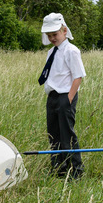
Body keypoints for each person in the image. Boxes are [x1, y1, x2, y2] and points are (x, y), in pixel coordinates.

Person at [38, 13, 86, 179]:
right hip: (52, 97)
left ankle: (76, 171)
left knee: (67, 134)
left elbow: (78, 76)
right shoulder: (52, 51)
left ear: (64, 31)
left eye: (55, 34)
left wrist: (69, 98)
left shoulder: (72, 51)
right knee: (53, 134)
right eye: (49, 35)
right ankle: (59, 169)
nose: (52, 38)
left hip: (66, 96)